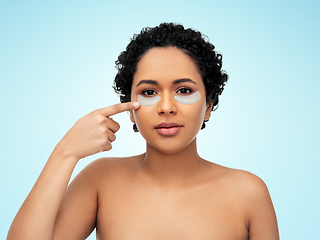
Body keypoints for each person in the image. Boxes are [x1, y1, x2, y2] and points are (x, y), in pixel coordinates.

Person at [7, 23, 279, 240]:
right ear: (130, 109)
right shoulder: (100, 180)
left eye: (184, 90)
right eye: (149, 92)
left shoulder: (249, 193)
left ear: (208, 106)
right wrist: (65, 153)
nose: (166, 107)